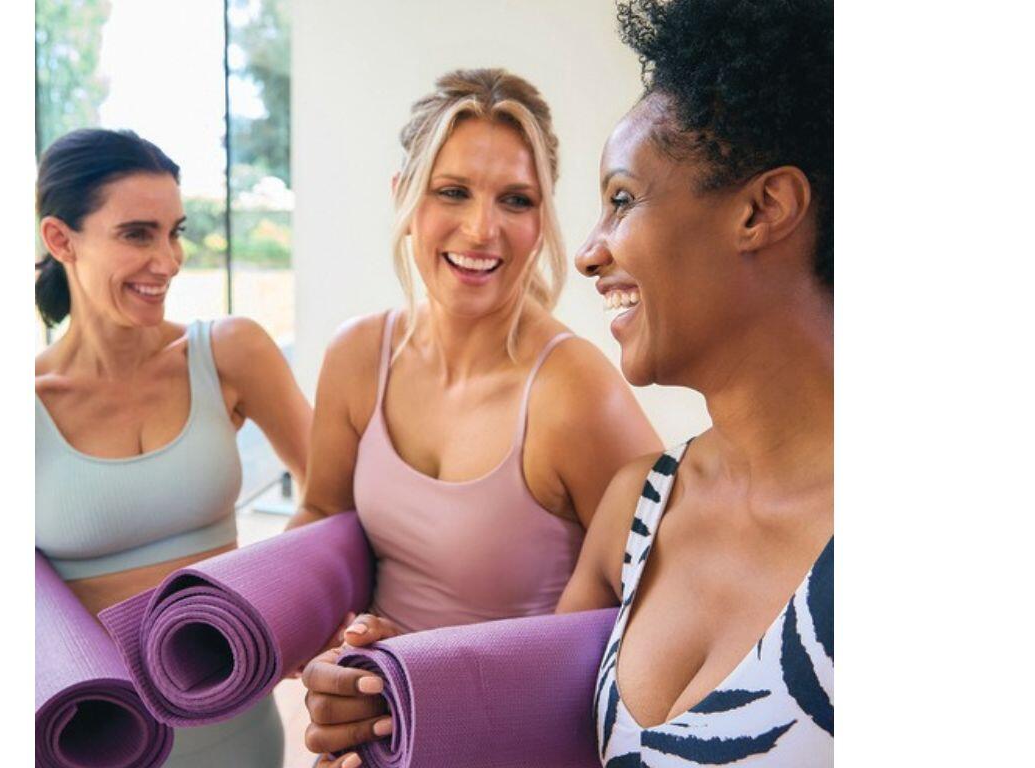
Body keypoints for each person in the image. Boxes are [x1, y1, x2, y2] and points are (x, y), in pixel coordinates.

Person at [290, 69, 662, 767]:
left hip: (520, 744)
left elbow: (650, 618)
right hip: (383, 734)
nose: (481, 228)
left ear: (542, 220)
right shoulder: (357, 354)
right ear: (404, 196)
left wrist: (433, 676)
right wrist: (331, 650)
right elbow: (320, 517)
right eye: (452, 191)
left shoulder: (575, 390)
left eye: (515, 200)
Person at [559, 1, 835, 765]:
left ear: (762, 209)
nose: (587, 253)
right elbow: (524, 722)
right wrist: (397, 695)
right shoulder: (636, 507)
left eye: (621, 199)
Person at [33, 128, 311, 767]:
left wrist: (293, 604)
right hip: (100, 747)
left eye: (175, 231)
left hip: (237, 725)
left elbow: (338, 493)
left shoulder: (229, 352)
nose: (168, 259)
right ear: (60, 239)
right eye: (137, 234)